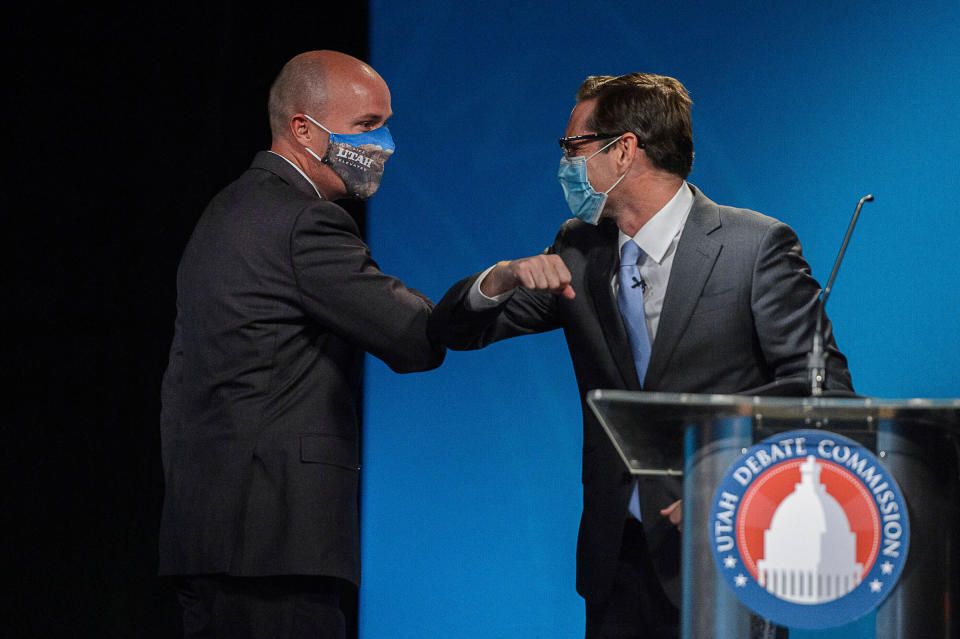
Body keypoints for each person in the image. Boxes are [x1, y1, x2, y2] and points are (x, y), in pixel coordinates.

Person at [427, 73, 853, 638]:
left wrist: (732, 479)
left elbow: (824, 394)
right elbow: (457, 330)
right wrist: (501, 277)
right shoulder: (579, 247)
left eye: (573, 147)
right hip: (617, 560)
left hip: (723, 549)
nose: (565, 163)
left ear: (623, 149)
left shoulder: (755, 248)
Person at [158, 50, 445, 639]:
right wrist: (503, 288)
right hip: (273, 550)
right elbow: (414, 336)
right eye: (367, 126)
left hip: (209, 541)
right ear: (302, 129)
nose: (384, 144)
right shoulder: (302, 221)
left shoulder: (225, 211)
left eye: (385, 126)